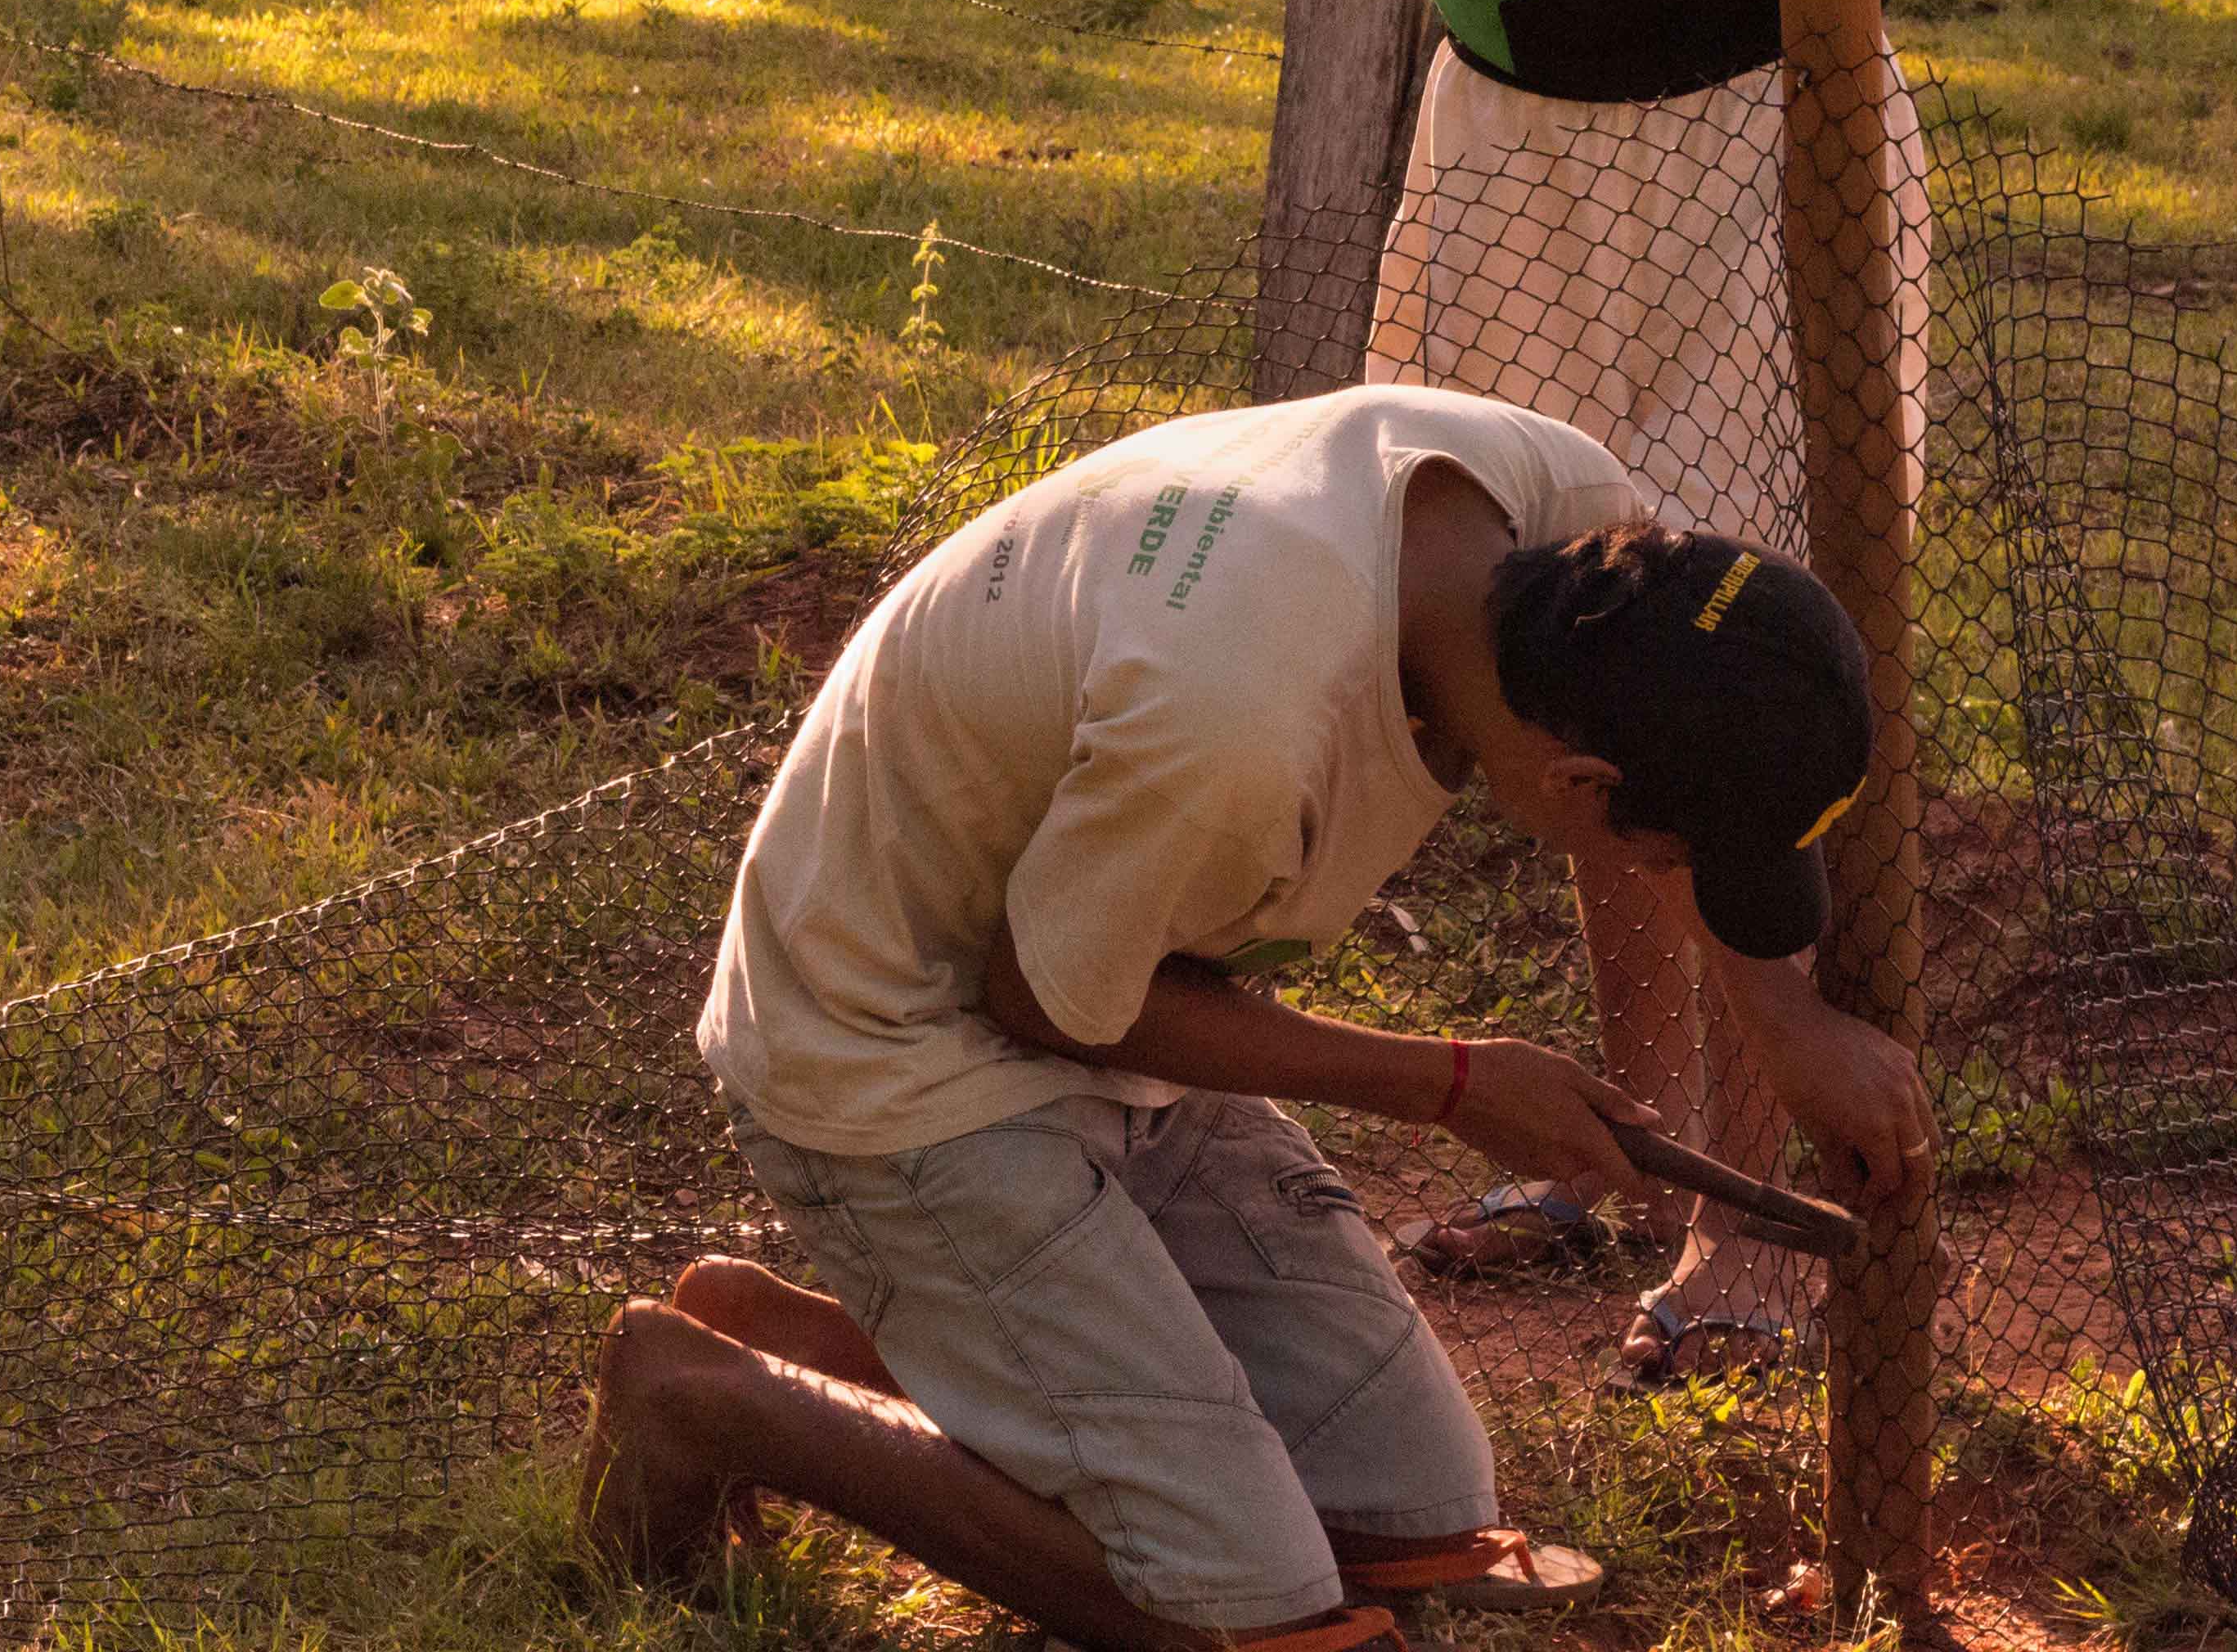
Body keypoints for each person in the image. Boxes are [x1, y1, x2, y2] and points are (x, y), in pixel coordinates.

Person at [579, 383, 1942, 1652]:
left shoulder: (1564, 530)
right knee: (1244, 1612)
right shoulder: (1238, 725)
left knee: (1418, 1519)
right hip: (898, 1039)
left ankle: (841, 1338)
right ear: (1578, 784)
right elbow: (1040, 1002)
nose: (1668, 885)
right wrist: (1453, 1081)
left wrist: (1781, 1018)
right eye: (1669, 856)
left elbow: (1098, 980)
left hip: (1114, 963)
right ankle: (706, 1399)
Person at [1294, 0, 1931, 1383]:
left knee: (1732, 654)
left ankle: (1752, 1231)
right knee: (1562, 641)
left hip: (1779, 116)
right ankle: (1635, 1134)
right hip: (1521, 130)